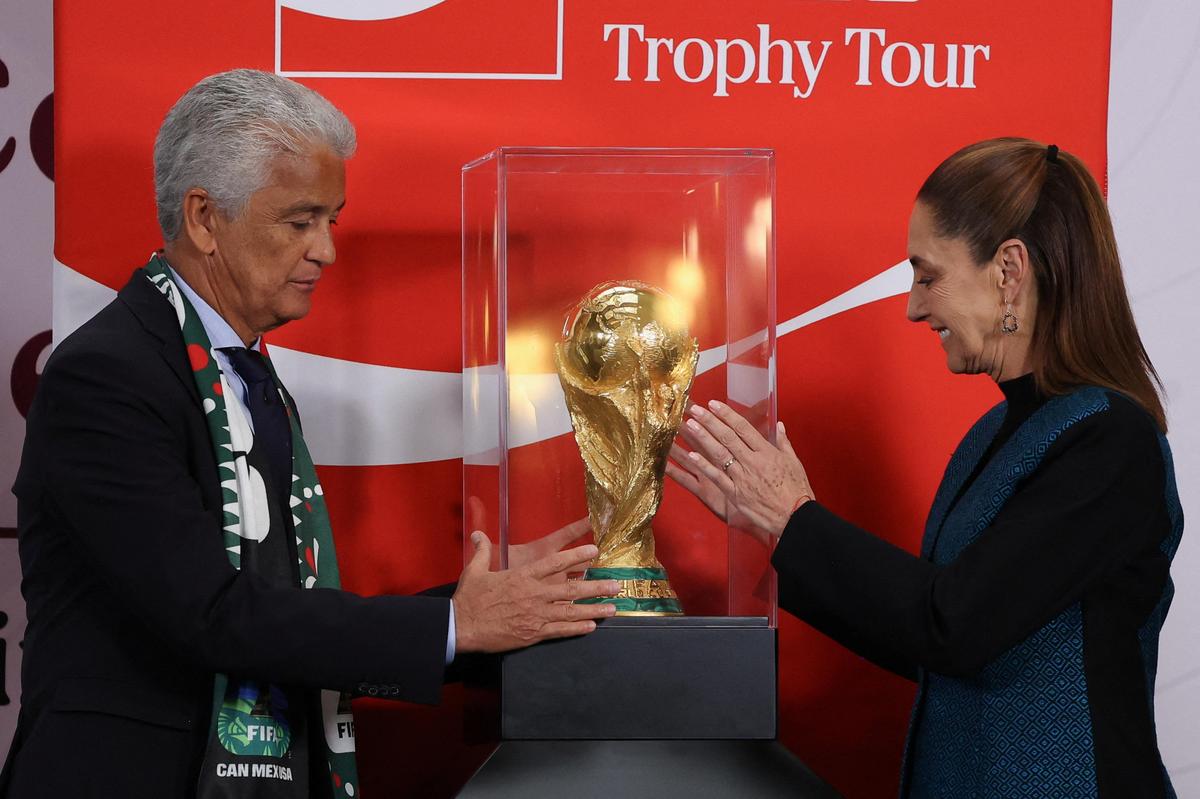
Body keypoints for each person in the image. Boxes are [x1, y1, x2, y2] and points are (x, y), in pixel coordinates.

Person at [0, 69, 617, 799]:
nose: (326, 249)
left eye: (333, 219)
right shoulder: (107, 375)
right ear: (204, 218)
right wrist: (455, 623)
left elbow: (272, 611)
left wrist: (481, 607)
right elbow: (210, 612)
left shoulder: (241, 369)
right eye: (300, 221)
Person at [668, 138, 1183, 798]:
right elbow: (928, 642)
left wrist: (796, 518)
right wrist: (779, 531)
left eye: (928, 274)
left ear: (1009, 270)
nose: (914, 306)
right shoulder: (992, 436)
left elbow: (955, 624)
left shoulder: (1112, 442)